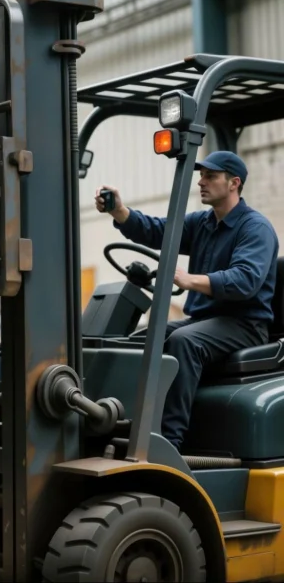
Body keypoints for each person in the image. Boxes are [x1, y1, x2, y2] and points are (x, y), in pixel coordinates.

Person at [96, 151, 279, 451]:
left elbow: (245, 281)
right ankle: (119, 423)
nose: (201, 181)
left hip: (244, 324)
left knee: (184, 341)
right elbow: (158, 230)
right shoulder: (202, 223)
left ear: (234, 183)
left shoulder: (255, 228)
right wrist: (119, 211)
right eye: (201, 175)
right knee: (141, 339)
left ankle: (170, 442)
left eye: (210, 176)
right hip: (205, 321)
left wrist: (188, 279)